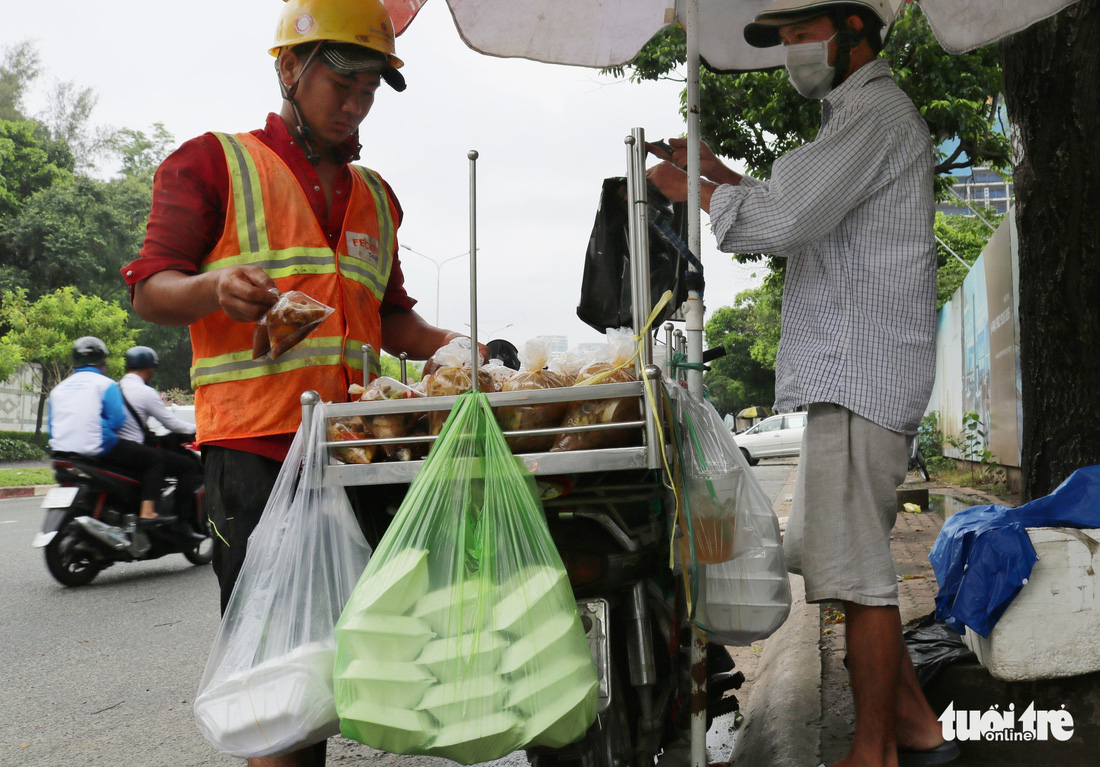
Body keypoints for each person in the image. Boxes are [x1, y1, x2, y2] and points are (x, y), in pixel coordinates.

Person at [121, 2, 478, 764]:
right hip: (257, 453)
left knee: (359, 651)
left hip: (361, 454)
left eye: (371, 88)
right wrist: (214, 288)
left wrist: (467, 346)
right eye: (343, 83)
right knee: (279, 679)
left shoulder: (377, 197)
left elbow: (394, 321)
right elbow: (152, 287)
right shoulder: (211, 163)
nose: (356, 104)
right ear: (290, 68)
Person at [647, 2, 956, 766]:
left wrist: (687, 186)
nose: (790, 53)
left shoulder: (874, 114)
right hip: (852, 371)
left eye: (798, 35)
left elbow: (784, 219)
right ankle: (919, 730)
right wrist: (715, 172)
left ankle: (873, 749)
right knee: (844, 570)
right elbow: (807, 208)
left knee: (860, 573)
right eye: (782, 39)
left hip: (863, 372)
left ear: (853, 28)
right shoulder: (851, 121)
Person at [47, 337, 169, 523]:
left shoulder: (58, 389)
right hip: (99, 448)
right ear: (102, 361)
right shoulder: (106, 384)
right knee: (154, 459)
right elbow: (117, 420)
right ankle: (148, 512)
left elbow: (51, 427)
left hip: (60, 453)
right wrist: (101, 432)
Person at [117, 345, 203, 521]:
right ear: (149, 368)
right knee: (187, 466)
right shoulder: (145, 392)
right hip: (134, 450)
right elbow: (171, 423)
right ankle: (181, 517)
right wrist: (198, 429)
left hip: (116, 448)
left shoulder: (115, 388)